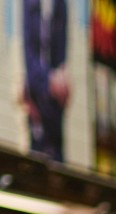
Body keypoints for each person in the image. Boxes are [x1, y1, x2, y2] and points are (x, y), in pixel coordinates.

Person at [22, 0, 69, 162]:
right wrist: (47, 79)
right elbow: (28, 55)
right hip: (37, 88)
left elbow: (61, 53)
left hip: (52, 94)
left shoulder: (60, 5)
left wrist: (62, 78)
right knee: (37, 153)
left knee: (55, 152)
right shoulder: (28, 4)